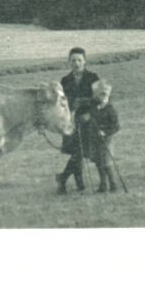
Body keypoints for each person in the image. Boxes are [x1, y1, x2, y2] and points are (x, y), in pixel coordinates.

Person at [56, 46, 101, 194]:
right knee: (77, 152)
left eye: (79, 60)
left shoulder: (93, 78)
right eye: (73, 60)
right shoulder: (65, 80)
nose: (76, 63)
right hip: (71, 122)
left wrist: (88, 110)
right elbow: (61, 103)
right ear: (69, 62)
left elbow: (100, 99)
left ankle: (63, 177)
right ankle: (78, 182)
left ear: (85, 61)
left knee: (81, 151)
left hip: (89, 120)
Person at [78, 80, 123, 193]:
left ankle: (114, 185)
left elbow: (116, 126)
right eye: (99, 94)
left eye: (104, 94)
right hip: (94, 138)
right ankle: (103, 185)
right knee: (98, 162)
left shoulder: (110, 110)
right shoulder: (95, 107)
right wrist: (85, 118)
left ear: (108, 95)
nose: (102, 97)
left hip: (105, 140)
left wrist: (105, 132)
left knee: (106, 162)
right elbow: (89, 113)